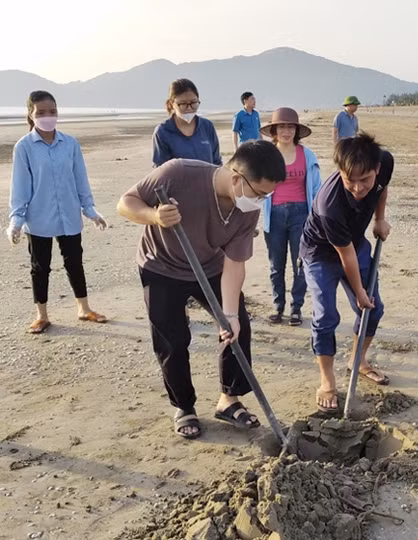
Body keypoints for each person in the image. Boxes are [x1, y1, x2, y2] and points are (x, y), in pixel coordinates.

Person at [116, 140, 286, 439]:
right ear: (237, 178)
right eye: (259, 193)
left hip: (210, 266)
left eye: (267, 196)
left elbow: (235, 262)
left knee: (238, 327)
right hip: (161, 266)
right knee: (173, 340)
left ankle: (228, 400)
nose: (261, 201)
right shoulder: (179, 172)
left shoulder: (248, 208)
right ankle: (184, 406)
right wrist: (154, 216)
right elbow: (126, 202)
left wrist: (230, 314)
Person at [300, 133, 392, 413]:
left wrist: (379, 219)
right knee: (326, 316)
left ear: (376, 168)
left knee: (373, 311)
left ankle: (358, 361)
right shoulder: (329, 204)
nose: (356, 187)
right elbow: (345, 256)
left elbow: (383, 186)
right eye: (348, 179)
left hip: (355, 242)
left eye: (364, 179)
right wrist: (360, 292)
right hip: (320, 253)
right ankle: (327, 381)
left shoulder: (384, 162)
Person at [7, 90, 108, 334]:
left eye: (52, 111)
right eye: (41, 112)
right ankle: (41, 315)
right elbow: (20, 187)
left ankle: (84, 309)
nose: (47, 116)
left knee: (75, 262)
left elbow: (80, 179)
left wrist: (90, 209)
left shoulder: (70, 144)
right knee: (40, 266)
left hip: (69, 216)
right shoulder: (24, 148)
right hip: (39, 218)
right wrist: (16, 221)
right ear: (31, 115)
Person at [259, 108, 322, 326]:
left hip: (301, 214)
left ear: (297, 130)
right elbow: (255, 188)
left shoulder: (307, 155)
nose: (286, 131)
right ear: (274, 130)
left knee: (301, 264)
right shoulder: (266, 155)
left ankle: (296, 308)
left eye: (291, 126)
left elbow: (317, 188)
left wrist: (318, 218)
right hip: (273, 215)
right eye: (282, 126)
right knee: (276, 265)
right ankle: (278, 306)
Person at [152, 79, 222, 168]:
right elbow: (160, 171)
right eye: (183, 104)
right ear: (171, 104)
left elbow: (216, 162)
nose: (189, 108)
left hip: (207, 181)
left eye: (194, 103)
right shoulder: (163, 132)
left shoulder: (207, 126)